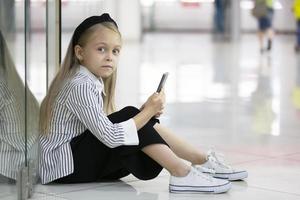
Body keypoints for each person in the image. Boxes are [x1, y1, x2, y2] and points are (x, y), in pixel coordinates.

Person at [39, 13, 248, 193]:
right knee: (131, 115)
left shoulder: (88, 80)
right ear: (80, 52)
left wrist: (145, 116)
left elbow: (111, 131)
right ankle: (182, 172)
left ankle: (200, 160)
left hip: (74, 163)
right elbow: (111, 137)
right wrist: (146, 113)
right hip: (64, 168)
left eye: (115, 51)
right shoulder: (80, 84)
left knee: (134, 116)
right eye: (101, 49)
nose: (110, 57)